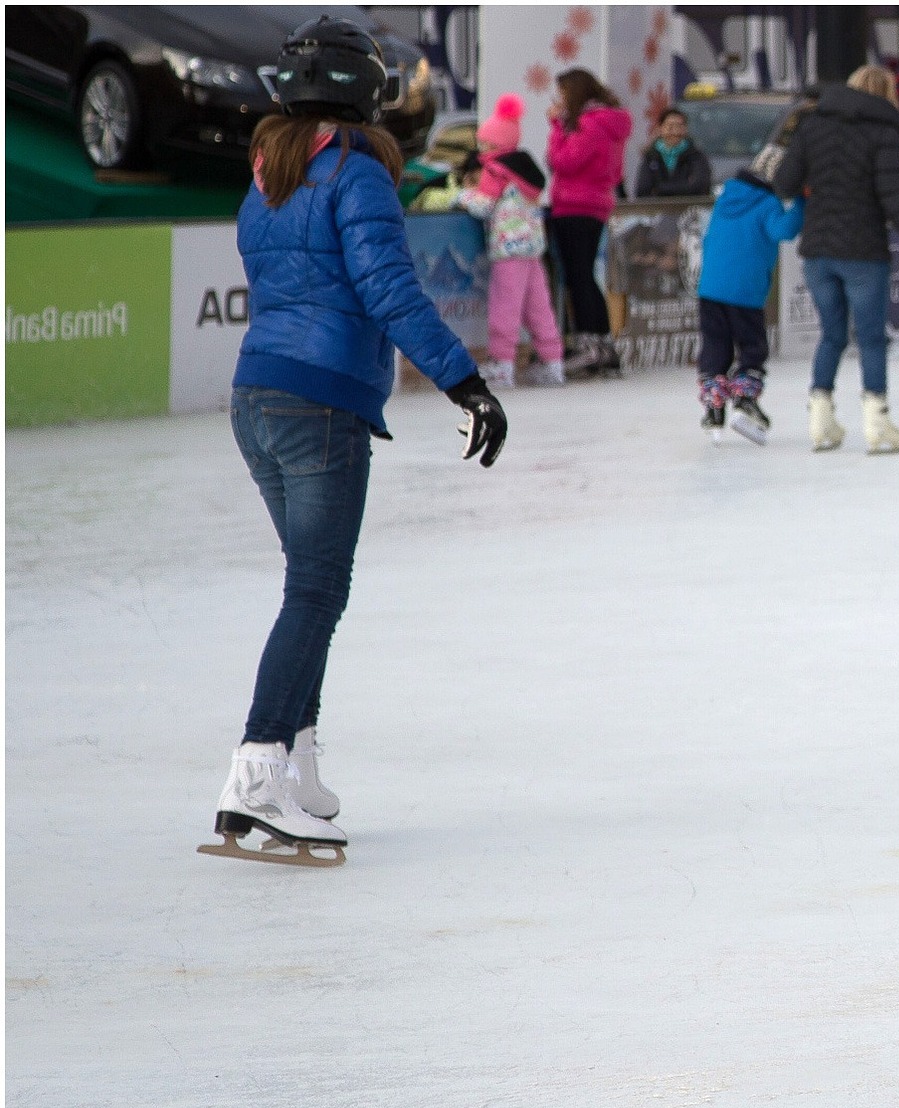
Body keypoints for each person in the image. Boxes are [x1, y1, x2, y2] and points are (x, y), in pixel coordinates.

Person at [208, 17, 506, 866]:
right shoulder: (354, 174)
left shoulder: (268, 176)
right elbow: (390, 292)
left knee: (313, 589)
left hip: (257, 396)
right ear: (363, 92)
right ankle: (258, 773)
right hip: (321, 403)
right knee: (314, 593)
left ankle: (295, 762)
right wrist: (465, 381)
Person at [774, 64, 899, 455]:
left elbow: (783, 182)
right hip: (863, 252)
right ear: (887, 96)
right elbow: (895, 199)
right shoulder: (884, 133)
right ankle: (877, 424)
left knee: (831, 335)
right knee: (870, 339)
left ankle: (820, 421)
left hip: (817, 252)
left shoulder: (812, 125)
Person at [695, 138, 804, 442]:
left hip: (711, 289)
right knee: (752, 348)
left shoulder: (726, 197)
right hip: (745, 292)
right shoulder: (767, 203)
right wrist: (802, 203)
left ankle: (714, 405)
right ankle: (745, 399)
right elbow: (783, 230)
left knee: (715, 347)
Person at [457, 93, 564, 390]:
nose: (482, 149)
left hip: (507, 249)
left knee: (506, 306)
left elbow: (483, 206)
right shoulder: (525, 168)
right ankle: (553, 363)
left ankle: (502, 365)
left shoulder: (495, 169)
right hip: (532, 248)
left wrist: (462, 196)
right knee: (539, 308)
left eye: (485, 142)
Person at [546, 68, 632, 378]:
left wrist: (557, 126)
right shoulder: (608, 124)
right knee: (585, 276)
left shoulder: (589, 125)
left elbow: (563, 162)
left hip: (573, 204)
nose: (559, 101)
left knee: (577, 276)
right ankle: (602, 341)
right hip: (595, 204)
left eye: (563, 94)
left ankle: (588, 342)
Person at [633, 106, 713, 197]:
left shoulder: (696, 156)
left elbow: (700, 186)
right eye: (670, 127)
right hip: (657, 209)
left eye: (679, 126)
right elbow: (642, 189)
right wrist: (684, 186)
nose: (675, 132)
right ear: (660, 128)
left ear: (685, 129)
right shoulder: (651, 156)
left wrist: (659, 189)